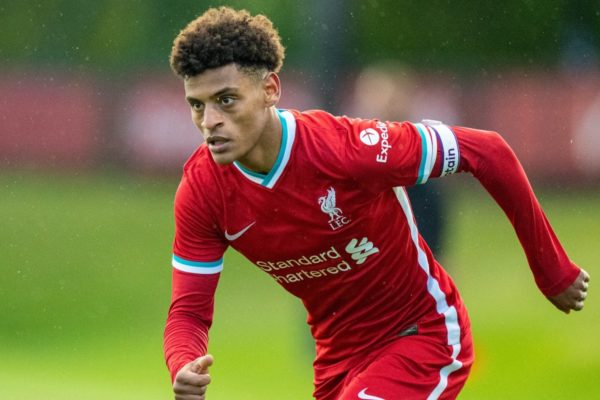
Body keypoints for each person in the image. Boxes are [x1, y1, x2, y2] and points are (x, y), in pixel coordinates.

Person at [163, 7, 590, 400]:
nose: (209, 121)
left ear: (271, 89)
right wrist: (182, 363)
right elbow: (188, 312)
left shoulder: (345, 148)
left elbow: (489, 152)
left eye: (226, 100)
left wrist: (551, 270)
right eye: (196, 106)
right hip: (337, 364)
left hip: (422, 336)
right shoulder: (202, 191)